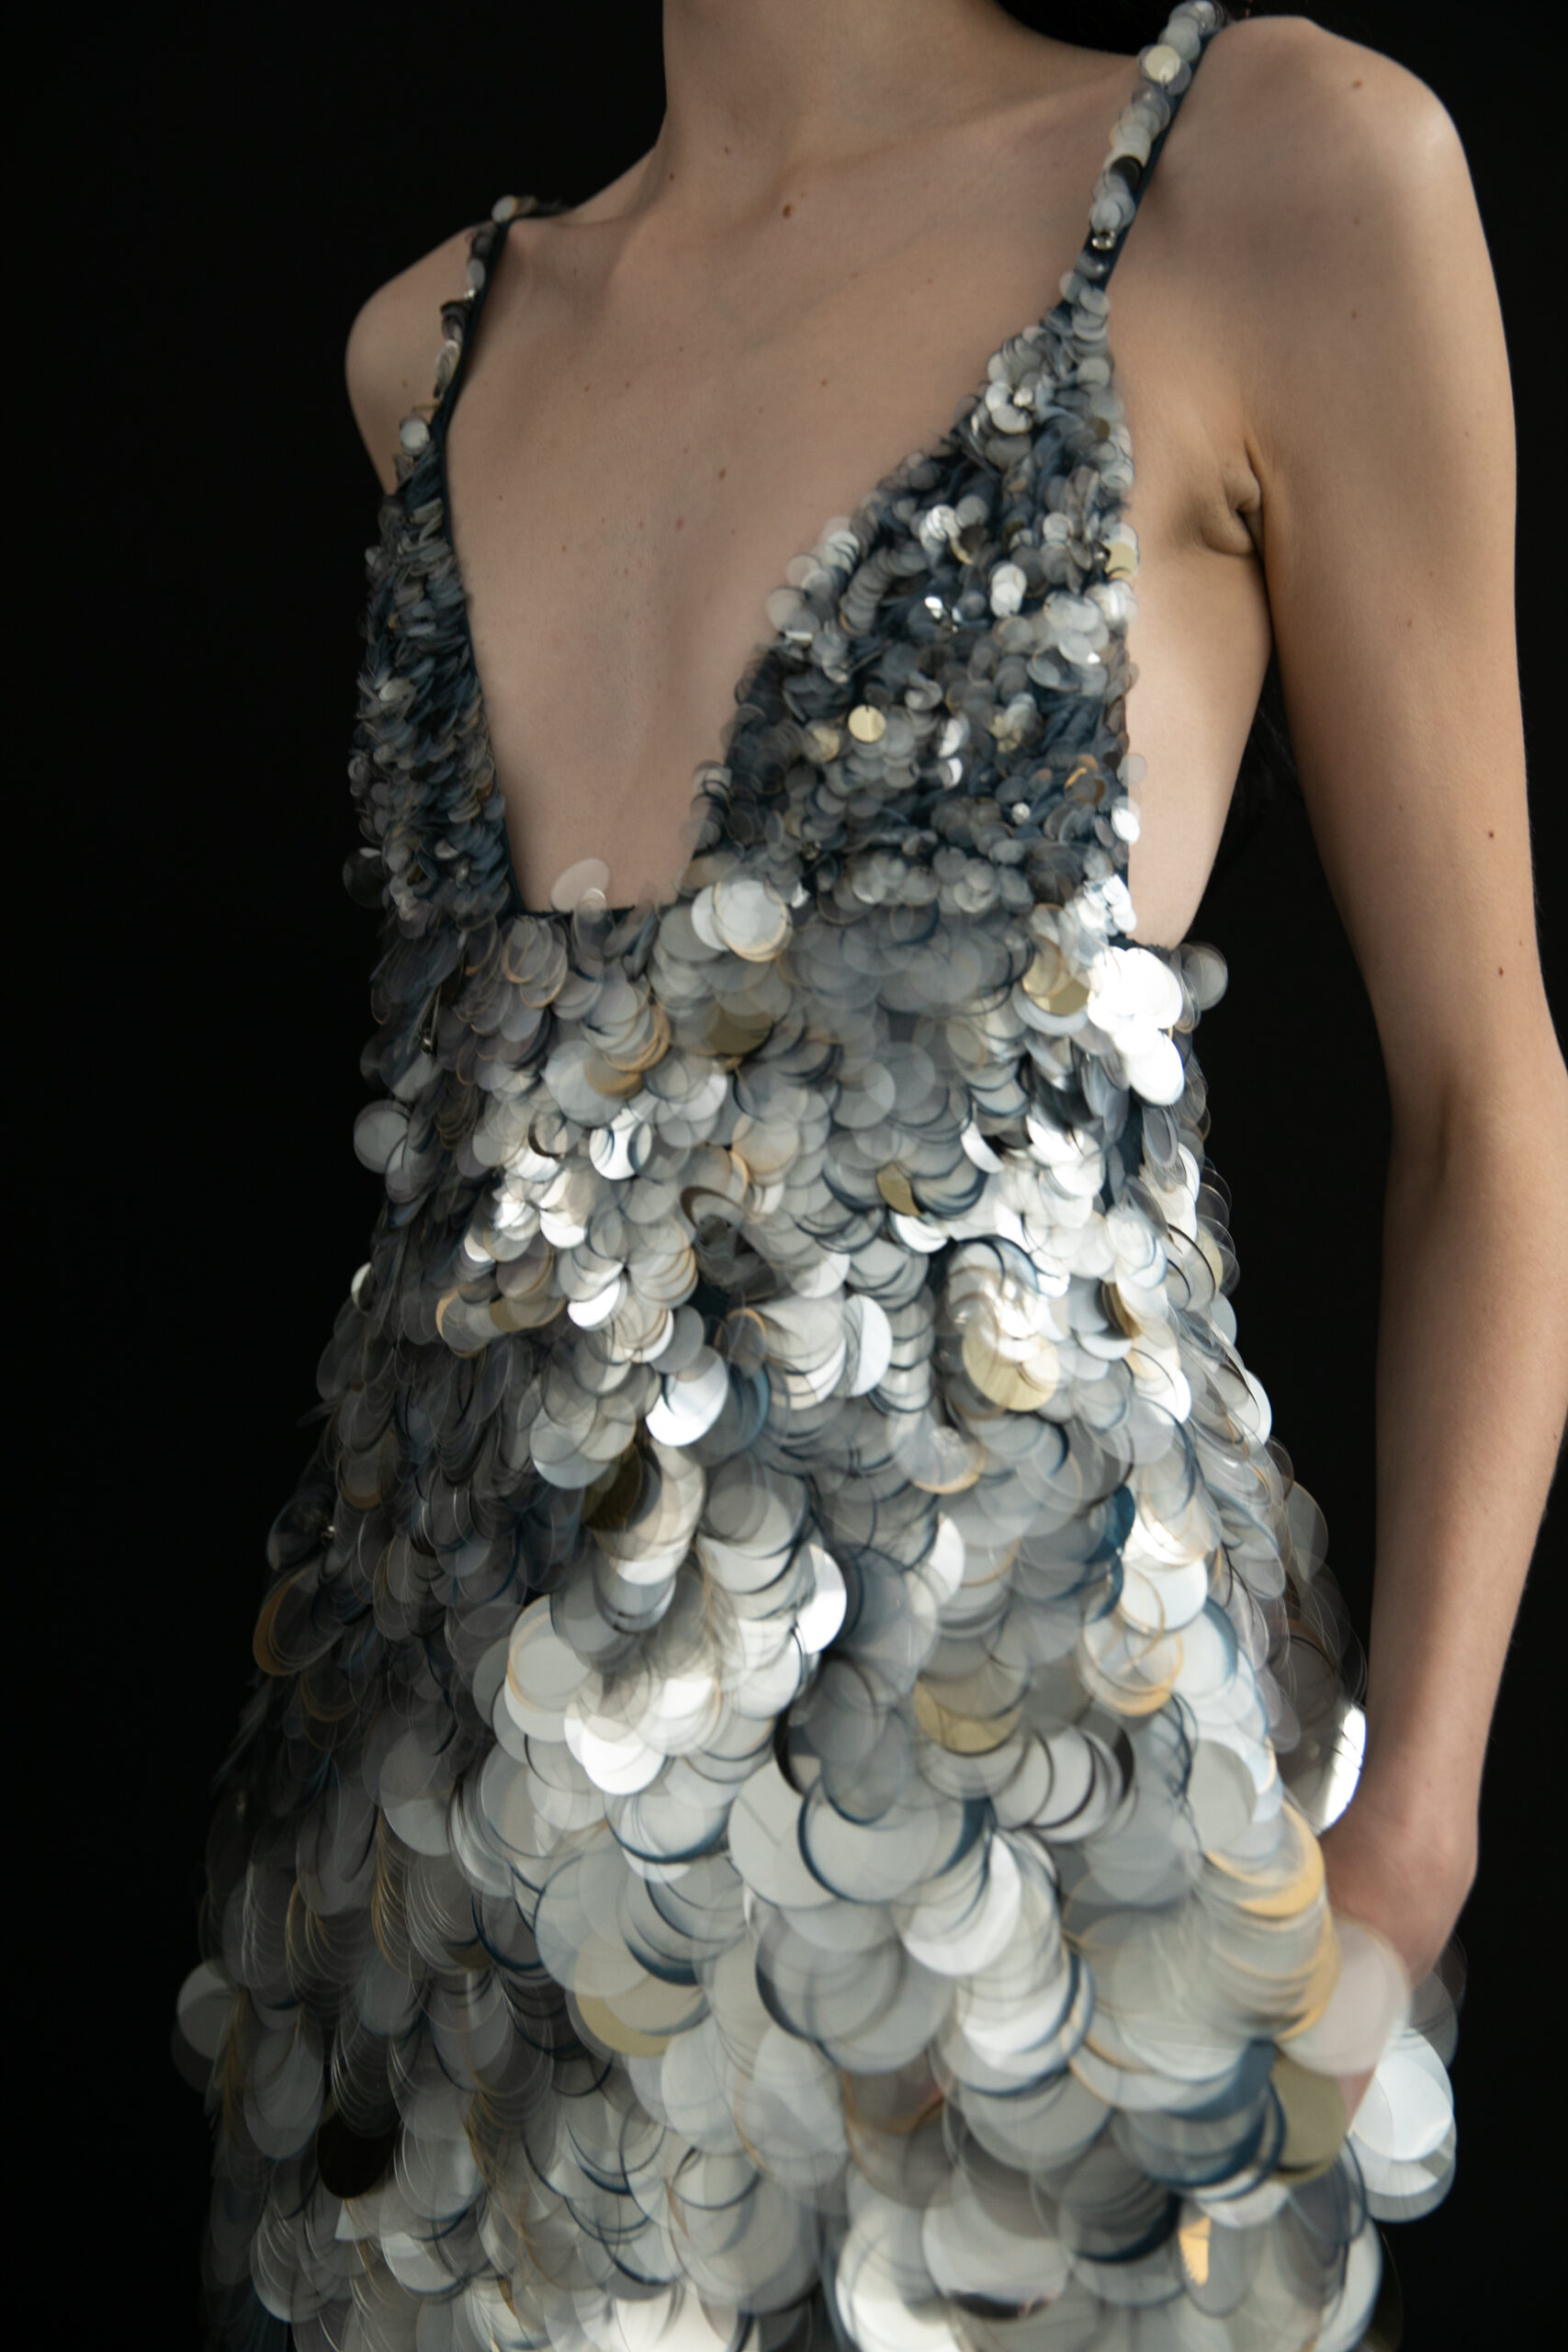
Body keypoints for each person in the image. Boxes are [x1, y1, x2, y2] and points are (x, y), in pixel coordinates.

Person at [177, 4, 1568, 2346]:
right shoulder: (429, 346)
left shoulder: (1276, 176)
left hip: (1053, 1948)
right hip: (457, 1951)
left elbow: (1481, 1088)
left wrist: (1401, 1856)